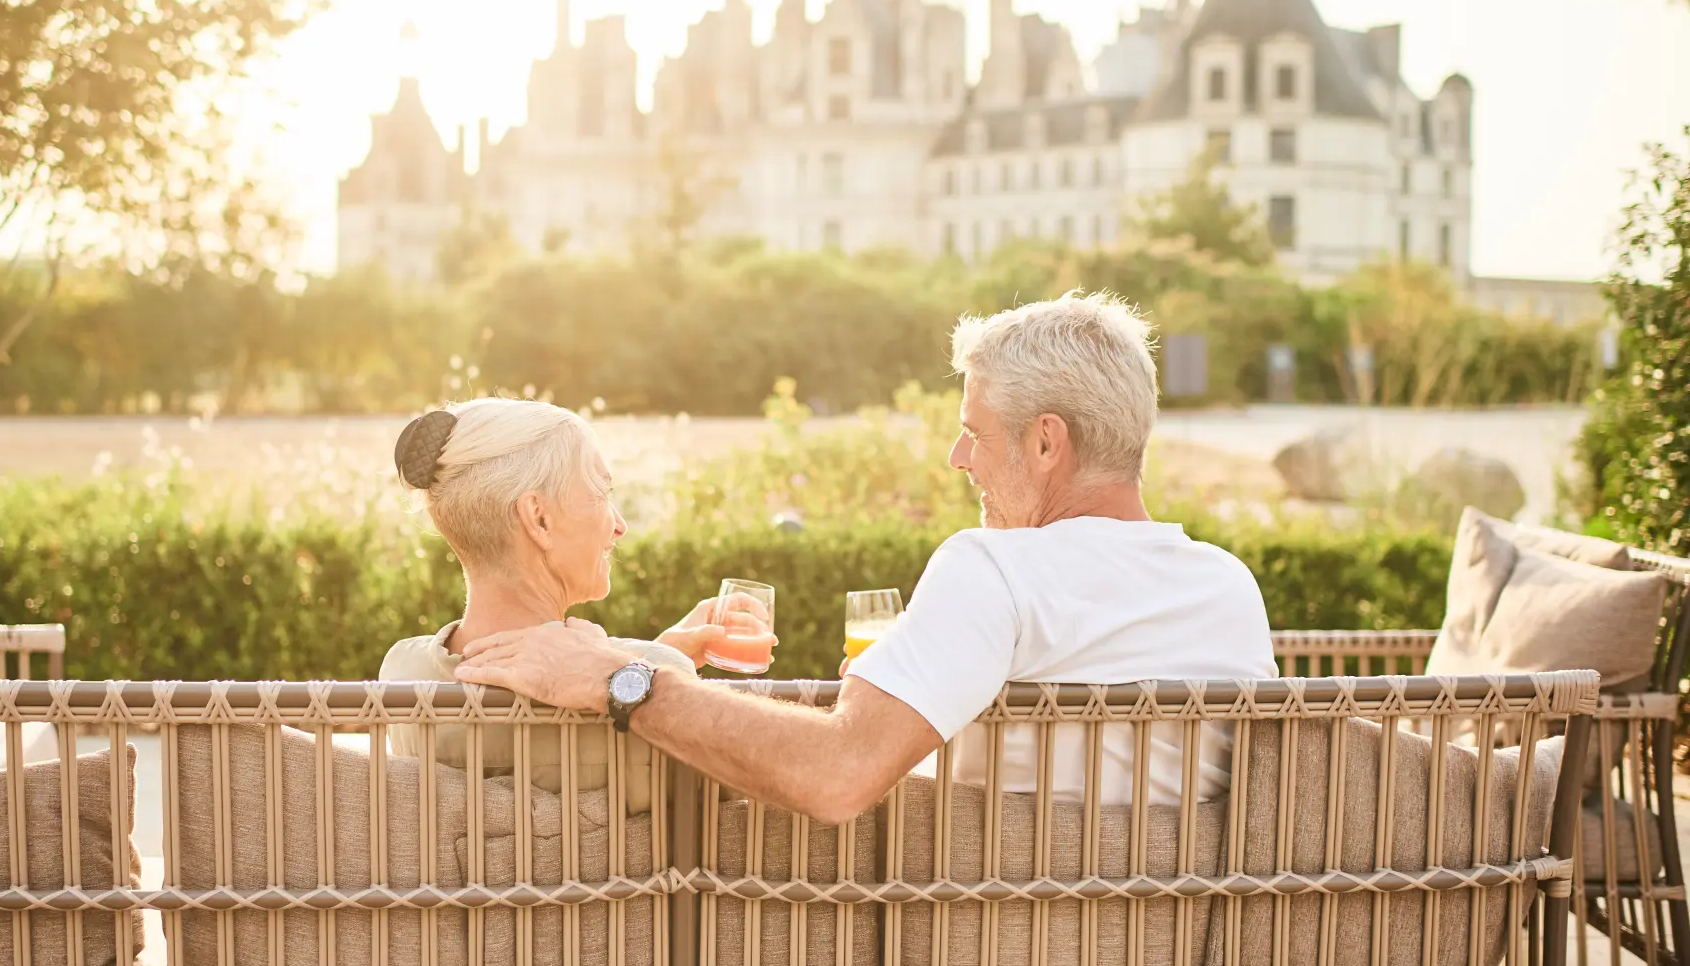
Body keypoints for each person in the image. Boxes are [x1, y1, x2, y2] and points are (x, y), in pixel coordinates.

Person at [455, 292, 1277, 824]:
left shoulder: (994, 568)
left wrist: (621, 677)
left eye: (975, 432)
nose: (961, 458)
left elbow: (837, 775)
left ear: (1047, 440)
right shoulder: (1226, 587)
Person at [378, 396, 771, 814]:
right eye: (601, 492)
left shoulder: (403, 675)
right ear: (539, 519)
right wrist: (656, 663)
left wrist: (653, 653)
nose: (620, 524)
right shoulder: (660, 684)